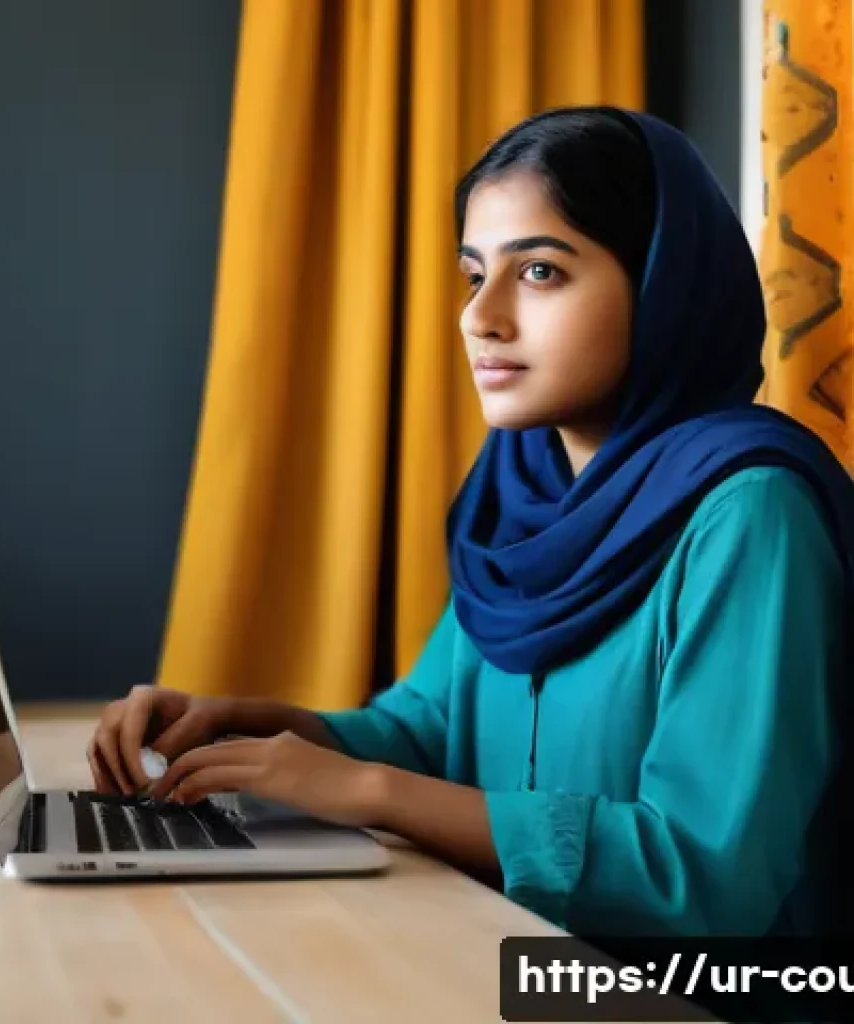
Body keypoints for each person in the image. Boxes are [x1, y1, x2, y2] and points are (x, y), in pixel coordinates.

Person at [88, 107, 854, 939]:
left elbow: (703, 875)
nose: (478, 317)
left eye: (538, 273)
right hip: (502, 953)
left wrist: (374, 793)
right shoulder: (519, 493)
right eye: (472, 274)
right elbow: (427, 733)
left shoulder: (749, 514)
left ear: (664, 284)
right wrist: (251, 727)